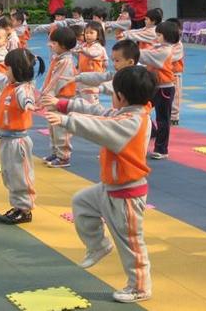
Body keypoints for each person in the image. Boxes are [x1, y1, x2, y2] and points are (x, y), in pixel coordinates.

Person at [44, 66, 156, 303]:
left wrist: (67, 120)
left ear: (122, 97)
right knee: (81, 203)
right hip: (110, 186)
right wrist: (64, 104)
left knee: (130, 242)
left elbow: (99, 126)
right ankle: (98, 245)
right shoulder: (127, 113)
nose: (110, 97)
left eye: (113, 93)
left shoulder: (131, 121)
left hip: (127, 193)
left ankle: (139, 286)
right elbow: (97, 111)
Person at [0, 48, 45, 225]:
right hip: (6, 138)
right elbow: (0, 78)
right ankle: (18, 205)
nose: (6, 71)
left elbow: (27, 98)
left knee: (20, 174)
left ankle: (25, 209)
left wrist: (29, 106)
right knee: (9, 173)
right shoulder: (10, 84)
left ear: (17, 70)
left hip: (18, 141)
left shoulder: (23, 89)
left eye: (8, 68)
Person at [139, 21, 178, 160]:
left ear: (167, 36)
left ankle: (161, 149)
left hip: (165, 88)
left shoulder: (165, 50)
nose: (157, 37)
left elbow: (146, 56)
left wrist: (130, 51)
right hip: (153, 86)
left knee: (163, 119)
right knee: (141, 109)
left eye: (159, 35)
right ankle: (153, 132)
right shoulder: (158, 47)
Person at [41, 27, 78, 168]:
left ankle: (64, 156)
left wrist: (44, 95)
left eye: (54, 43)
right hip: (54, 98)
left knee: (61, 128)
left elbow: (57, 81)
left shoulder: (66, 61)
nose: (50, 45)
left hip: (62, 99)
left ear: (62, 45)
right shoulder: (58, 59)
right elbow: (50, 79)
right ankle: (56, 152)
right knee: (52, 127)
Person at [75, 21, 108, 104]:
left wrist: (83, 51)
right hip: (83, 75)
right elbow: (78, 53)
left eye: (91, 33)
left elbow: (92, 54)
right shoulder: (84, 45)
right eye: (86, 33)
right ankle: (81, 108)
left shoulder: (98, 46)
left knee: (91, 97)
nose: (88, 35)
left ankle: (94, 111)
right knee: (79, 93)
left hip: (92, 77)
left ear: (98, 35)